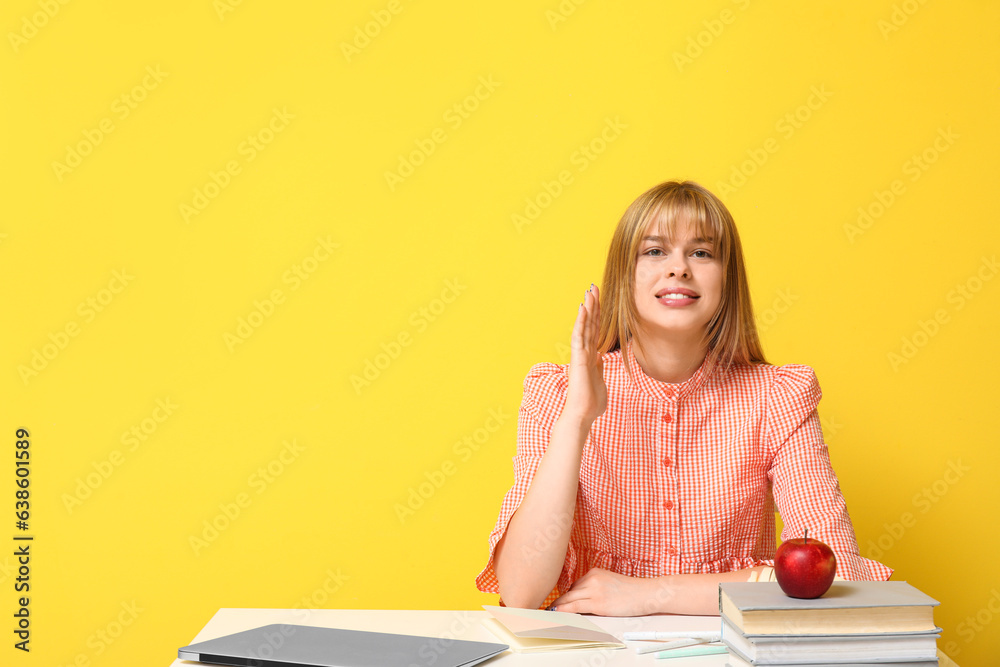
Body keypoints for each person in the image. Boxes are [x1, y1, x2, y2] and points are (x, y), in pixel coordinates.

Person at [475, 180, 892, 616]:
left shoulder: (778, 397)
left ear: (727, 279)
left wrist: (646, 595)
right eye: (655, 251)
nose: (679, 268)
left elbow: (834, 574)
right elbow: (521, 592)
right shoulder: (557, 392)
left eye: (702, 252)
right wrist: (577, 418)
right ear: (624, 274)